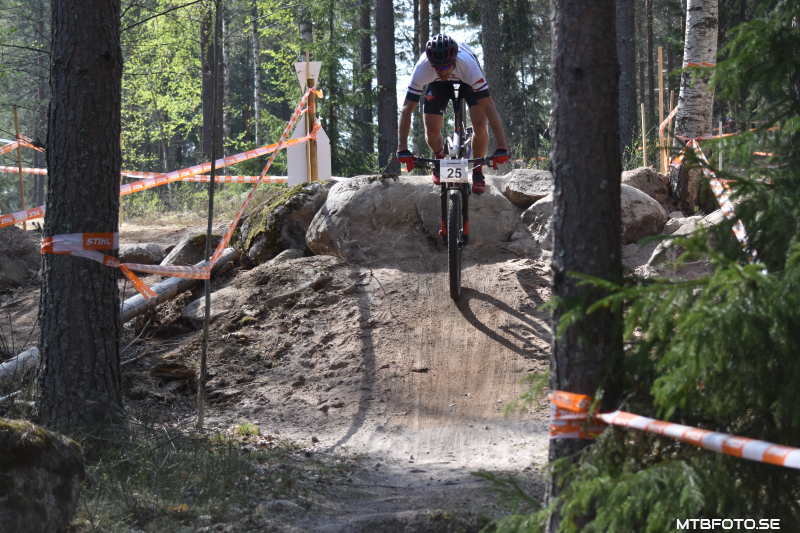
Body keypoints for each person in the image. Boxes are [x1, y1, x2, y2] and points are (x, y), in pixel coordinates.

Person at [395, 34, 509, 194]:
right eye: (437, 67)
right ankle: (440, 159)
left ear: (454, 60)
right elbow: (407, 108)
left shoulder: (468, 66)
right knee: (431, 132)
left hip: (467, 81)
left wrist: (502, 146)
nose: (442, 71)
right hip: (437, 84)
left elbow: (489, 106)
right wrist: (402, 148)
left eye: (446, 67)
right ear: (431, 63)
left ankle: (477, 171)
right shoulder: (423, 67)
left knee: (480, 125)